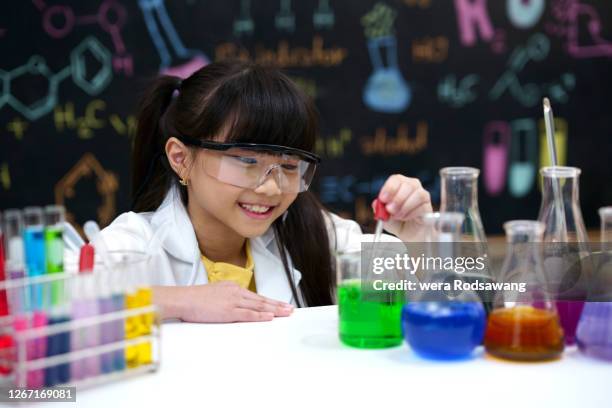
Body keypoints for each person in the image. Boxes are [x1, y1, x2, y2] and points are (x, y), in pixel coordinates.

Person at [97, 61, 432, 323]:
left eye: (289, 167)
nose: (272, 187)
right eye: (246, 161)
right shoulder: (133, 243)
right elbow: (52, 313)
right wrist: (182, 300)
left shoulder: (315, 232)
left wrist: (421, 237)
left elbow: (467, 299)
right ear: (181, 159)